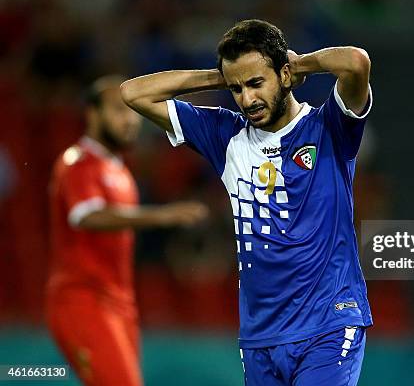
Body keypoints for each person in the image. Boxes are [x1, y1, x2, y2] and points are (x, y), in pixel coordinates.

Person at [121, 19, 373, 385]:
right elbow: (133, 93)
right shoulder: (225, 135)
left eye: (256, 83)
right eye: (237, 89)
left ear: (284, 75)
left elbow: (355, 61)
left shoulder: (329, 127)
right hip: (261, 337)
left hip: (329, 324)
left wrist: (295, 65)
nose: (247, 99)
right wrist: (221, 76)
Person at [46, 75, 207, 386]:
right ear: (93, 114)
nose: (130, 121)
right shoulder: (78, 163)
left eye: (133, 112)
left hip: (119, 303)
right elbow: (86, 216)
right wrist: (160, 217)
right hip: (83, 300)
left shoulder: (118, 170)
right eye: (119, 111)